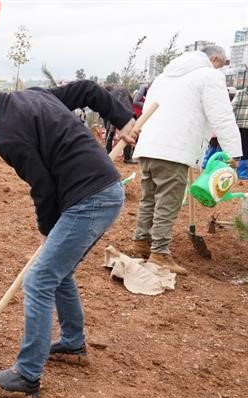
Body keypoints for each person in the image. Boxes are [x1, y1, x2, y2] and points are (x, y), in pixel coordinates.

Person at [0, 74, 136, 398]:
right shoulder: (32, 96)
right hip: (100, 191)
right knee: (58, 272)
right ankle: (73, 344)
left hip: (90, 197)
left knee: (39, 279)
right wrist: (123, 119)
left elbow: (43, 188)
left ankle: (27, 375)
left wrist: (48, 229)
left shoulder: (7, 136)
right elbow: (87, 89)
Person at [131, 45, 242, 274]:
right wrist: (234, 152)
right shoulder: (209, 76)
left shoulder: (164, 77)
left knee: (149, 198)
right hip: (174, 149)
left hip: (149, 147)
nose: (221, 69)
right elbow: (222, 116)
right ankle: (159, 253)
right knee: (168, 201)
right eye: (221, 65)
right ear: (214, 59)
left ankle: (142, 241)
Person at [106, 85, 136, 164]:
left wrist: (108, 125)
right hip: (126, 112)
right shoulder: (123, 91)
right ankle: (127, 158)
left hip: (115, 112)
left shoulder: (109, 94)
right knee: (127, 134)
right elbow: (131, 102)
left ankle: (108, 155)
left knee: (110, 133)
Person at [231, 87, 248, 179]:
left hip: (240, 125)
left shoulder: (240, 93)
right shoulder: (241, 93)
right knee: (243, 149)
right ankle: (242, 172)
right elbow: (232, 108)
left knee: (243, 149)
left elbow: (233, 107)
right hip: (241, 126)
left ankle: (242, 172)